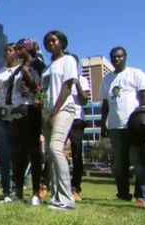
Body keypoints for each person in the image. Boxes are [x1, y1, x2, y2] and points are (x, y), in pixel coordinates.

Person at [99, 46, 145, 207]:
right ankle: (123, 194)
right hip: (115, 127)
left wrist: (143, 119)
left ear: (126, 57)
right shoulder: (107, 79)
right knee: (119, 163)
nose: (117, 59)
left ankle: (142, 196)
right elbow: (105, 104)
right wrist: (103, 124)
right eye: (114, 57)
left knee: (139, 161)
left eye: (120, 56)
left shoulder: (136, 73)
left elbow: (144, 97)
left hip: (134, 125)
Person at [42, 30, 78, 210]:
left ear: (62, 42)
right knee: (51, 154)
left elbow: (68, 86)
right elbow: (44, 91)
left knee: (55, 148)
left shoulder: (68, 60)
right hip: (48, 113)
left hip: (64, 109)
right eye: (48, 41)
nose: (51, 44)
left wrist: (55, 112)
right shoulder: (47, 68)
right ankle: (56, 197)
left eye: (54, 40)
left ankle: (67, 198)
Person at [7, 38, 45, 206]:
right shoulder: (16, 70)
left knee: (33, 152)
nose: (16, 50)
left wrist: (26, 70)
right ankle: (18, 192)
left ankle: (36, 192)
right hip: (17, 112)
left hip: (32, 110)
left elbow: (39, 87)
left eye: (19, 48)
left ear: (28, 49)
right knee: (18, 153)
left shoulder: (37, 64)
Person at [0, 43, 19, 202]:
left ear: (17, 53)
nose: (7, 53)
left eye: (11, 50)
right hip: (1, 116)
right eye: (6, 51)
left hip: (17, 116)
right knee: (4, 154)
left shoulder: (22, 71)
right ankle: (5, 190)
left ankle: (18, 189)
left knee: (17, 154)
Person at [66, 54, 90, 202]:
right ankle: (45, 185)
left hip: (76, 119)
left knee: (76, 154)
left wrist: (77, 83)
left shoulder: (82, 79)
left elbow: (84, 101)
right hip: (61, 117)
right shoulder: (60, 79)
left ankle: (75, 188)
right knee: (53, 151)